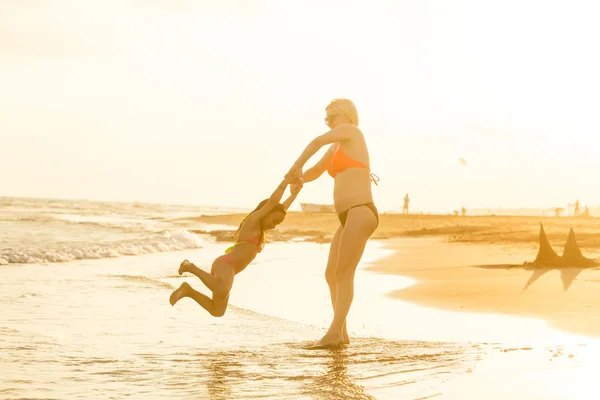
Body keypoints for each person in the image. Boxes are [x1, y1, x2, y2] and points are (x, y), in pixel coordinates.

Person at [285, 98, 379, 347]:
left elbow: (316, 141)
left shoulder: (351, 132)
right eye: (325, 119)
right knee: (331, 274)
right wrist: (297, 180)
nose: (328, 122)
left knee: (344, 272)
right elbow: (316, 171)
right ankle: (342, 332)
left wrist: (296, 165)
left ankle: (334, 332)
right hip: (347, 217)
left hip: (361, 212)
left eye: (331, 117)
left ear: (347, 116)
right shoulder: (336, 146)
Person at [169, 179, 303, 316]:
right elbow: (273, 203)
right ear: (266, 212)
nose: (274, 226)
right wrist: (286, 181)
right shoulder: (253, 222)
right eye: (274, 221)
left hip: (231, 269)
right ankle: (190, 267)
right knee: (221, 291)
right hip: (226, 264)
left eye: (277, 223)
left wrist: (293, 195)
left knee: (217, 311)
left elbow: (281, 208)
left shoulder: (261, 229)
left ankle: (188, 291)